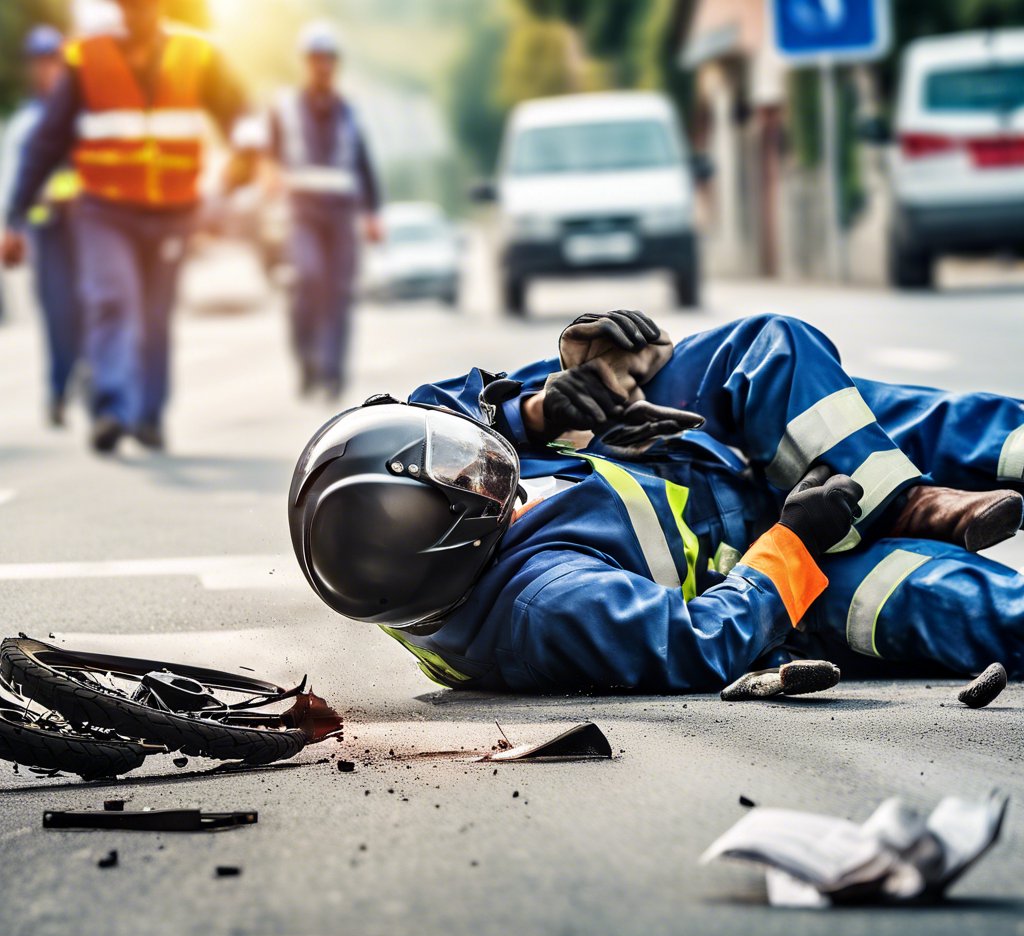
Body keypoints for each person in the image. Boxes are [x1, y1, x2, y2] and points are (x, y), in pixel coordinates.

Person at [288, 310, 1024, 694]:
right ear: (454, 537)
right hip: (785, 579)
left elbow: (458, 407)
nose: (486, 458)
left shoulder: (416, 479)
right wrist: (796, 544)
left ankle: (903, 495)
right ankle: (901, 504)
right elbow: (701, 642)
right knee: (953, 604)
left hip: (697, 448)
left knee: (774, 352)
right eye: (475, 475)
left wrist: (553, 405)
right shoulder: (545, 609)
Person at [0, 0, 251, 453]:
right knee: (112, 300)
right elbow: (47, 139)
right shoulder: (86, 56)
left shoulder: (197, 53)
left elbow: (237, 110)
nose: (137, 12)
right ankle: (112, 410)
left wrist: (247, 150)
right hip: (104, 210)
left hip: (173, 211)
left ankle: (149, 417)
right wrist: (15, 215)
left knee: (155, 318)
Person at [268, 19, 382, 398]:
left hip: (340, 216)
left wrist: (372, 213)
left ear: (336, 64)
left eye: (329, 58)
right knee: (307, 278)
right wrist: (268, 179)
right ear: (306, 62)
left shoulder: (348, 112)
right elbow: (269, 154)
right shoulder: (284, 108)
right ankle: (307, 362)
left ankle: (331, 373)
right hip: (302, 213)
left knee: (339, 293)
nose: (323, 65)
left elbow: (364, 164)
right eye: (316, 58)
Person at [0, 25, 81, 427]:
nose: (47, 69)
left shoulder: (85, 113)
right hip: (47, 233)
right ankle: (59, 390)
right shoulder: (25, 124)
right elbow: (13, 179)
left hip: (87, 228)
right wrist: (11, 227)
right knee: (58, 314)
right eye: (41, 61)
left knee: (96, 307)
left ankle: (98, 389)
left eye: (55, 61)